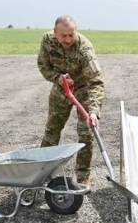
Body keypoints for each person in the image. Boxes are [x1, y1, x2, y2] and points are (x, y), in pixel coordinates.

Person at [37, 15, 105, 185]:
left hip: (83, 91)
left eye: (71, 34)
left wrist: (94, 111)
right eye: (63, 35)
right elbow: (43, 67)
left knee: (86, 134)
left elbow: (96, 82)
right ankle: (42, 173)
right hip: (61, 90)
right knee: (51, 131)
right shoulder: (47, 41)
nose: (68, 39)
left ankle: (82, 178)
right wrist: (59, 79)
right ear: (55, 33)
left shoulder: (84, 49)